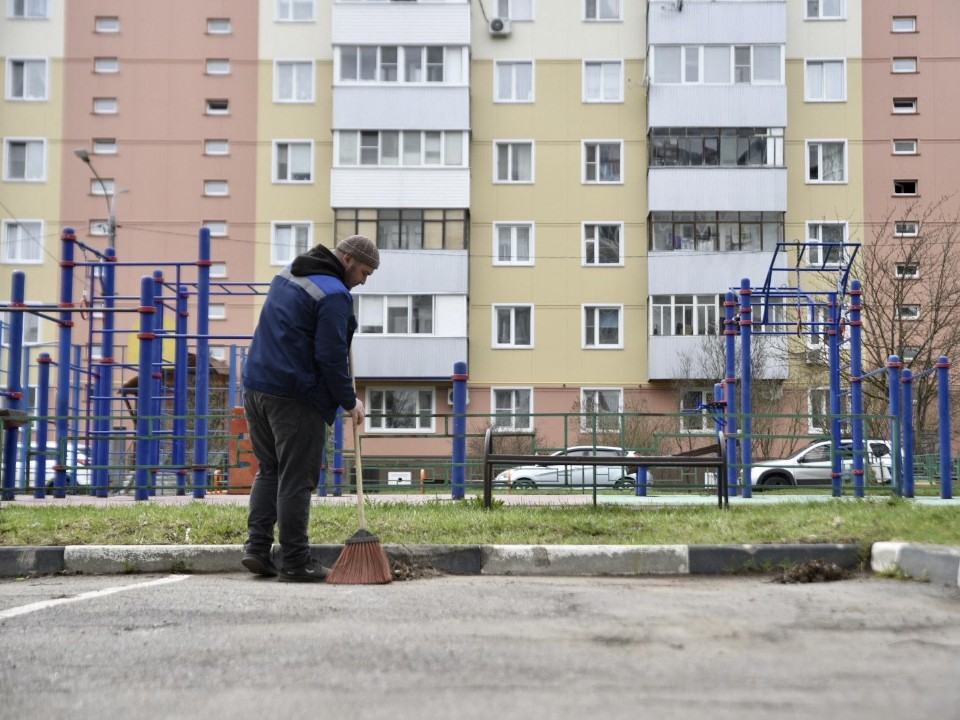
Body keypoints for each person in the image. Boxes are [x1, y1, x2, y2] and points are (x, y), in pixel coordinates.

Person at [240, 235, 379, 582]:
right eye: (364, 272)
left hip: (256, 387)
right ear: (347, 260)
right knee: (297, 480)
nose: (363, 281)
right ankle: (295, 561)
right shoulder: (334, 295)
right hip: (294, 397)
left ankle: (257, 550)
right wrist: (350, 401)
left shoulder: (287, 275)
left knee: (270, 470)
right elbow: (330, 359)